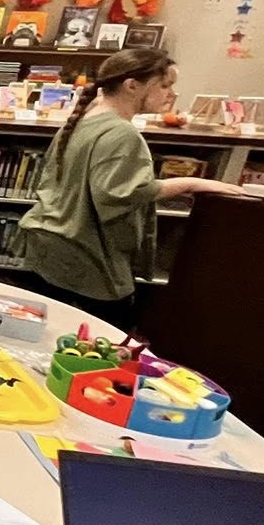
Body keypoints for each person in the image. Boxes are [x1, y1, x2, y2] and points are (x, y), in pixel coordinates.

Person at [18, 47, 244, 325]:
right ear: (132, 86)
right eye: (164, 85)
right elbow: (120, 195)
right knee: (104, 341)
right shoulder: (122, 133)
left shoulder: (85, 118)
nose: (170, 95)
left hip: (52, 242)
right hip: (86, 254)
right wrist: (192, 182)